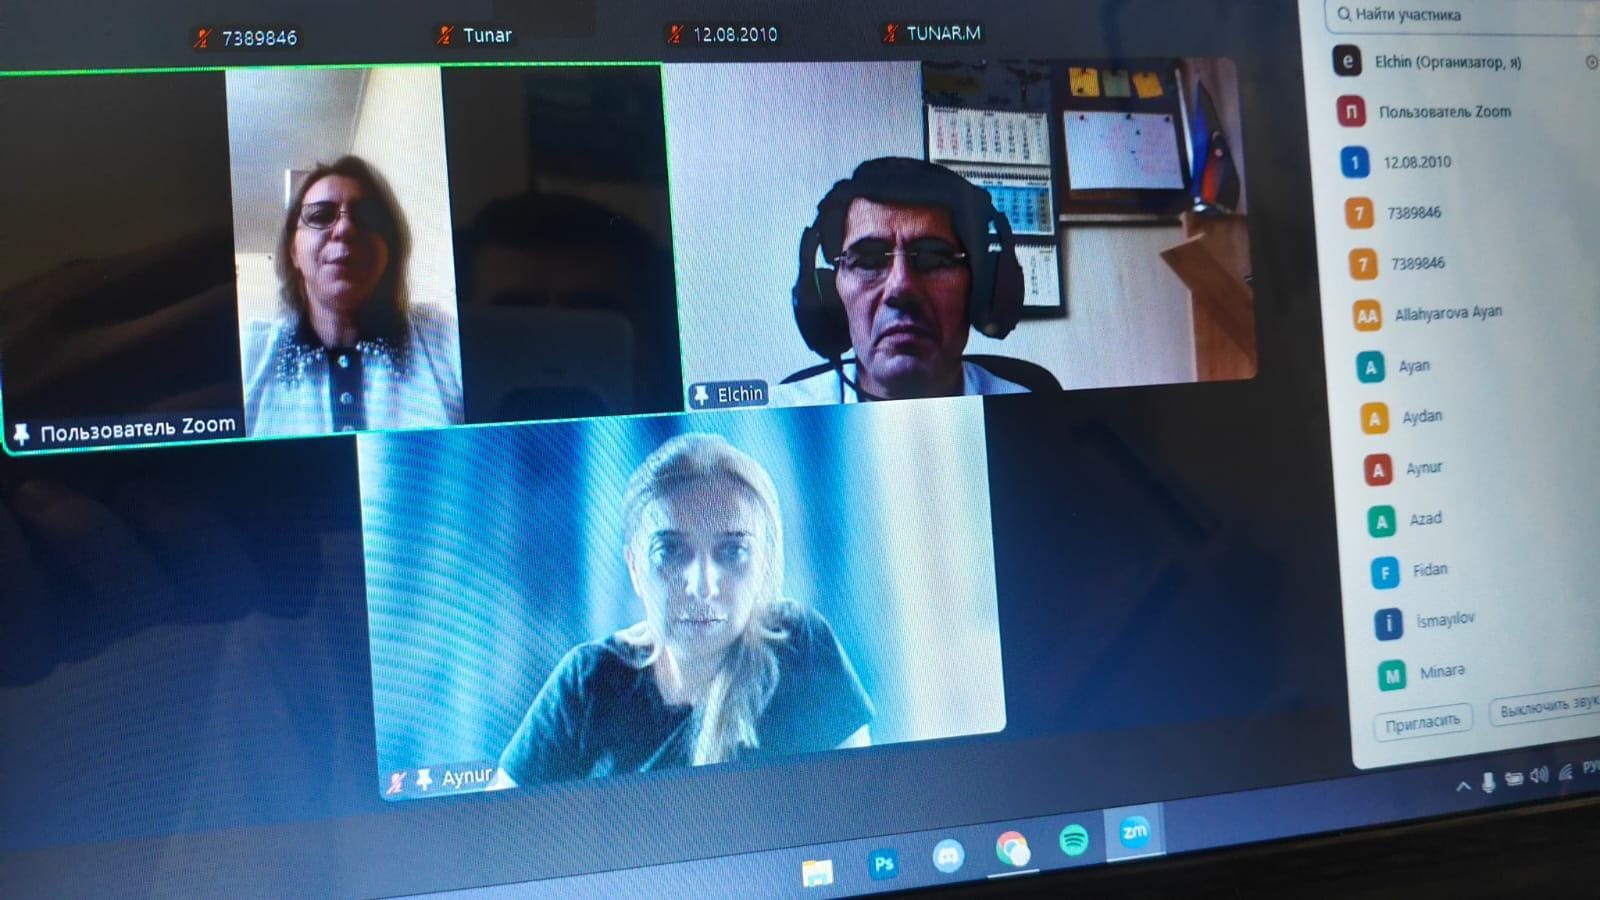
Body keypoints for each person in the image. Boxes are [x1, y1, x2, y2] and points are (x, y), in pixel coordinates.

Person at [495, 433, 873, 786]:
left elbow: (862, 800)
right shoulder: (588, 681)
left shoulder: (799, 646)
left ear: (763, 563)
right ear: (635, 567)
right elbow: (495, 818)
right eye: (671, 551)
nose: (702, 587)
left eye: (732, 551)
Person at [775, 157, 1054, 406]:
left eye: (934, 259)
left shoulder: (1033, 417)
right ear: (830, 294)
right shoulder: (780, 419)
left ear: (980, 287)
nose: (901, 287)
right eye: (868, 262)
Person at [240, 155, 463, 436]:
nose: (345, 229)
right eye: (320, 216)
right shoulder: (250, 355)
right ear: (293, 252)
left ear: (389, 249)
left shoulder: (442, 339)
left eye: (366, 217)